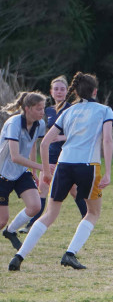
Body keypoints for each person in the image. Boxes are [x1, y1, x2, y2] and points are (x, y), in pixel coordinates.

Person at [8, 72, 113, 271]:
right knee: (93, 212)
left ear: (75, 91)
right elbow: (107, 140)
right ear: (94, 91)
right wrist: (108, 172)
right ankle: (70, 254)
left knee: (48, 215)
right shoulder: (104, 110)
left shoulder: (67, 111)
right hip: (88, 166)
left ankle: (18, 256)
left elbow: (44, 143)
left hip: (64, 164)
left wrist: (47, 171)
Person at [19, 76, 87, 234]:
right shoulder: (47, 110)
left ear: (67, 91)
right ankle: (32, 224)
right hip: (49, 155)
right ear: (51, 91)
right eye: (56, 89)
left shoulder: (72, 109)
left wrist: (61, 137)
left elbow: (81, 133)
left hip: (67, 155)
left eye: (62, 89)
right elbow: (41, 136)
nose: (59, 92)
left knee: (73, 190)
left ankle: (87, 218)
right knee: (42, 188)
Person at [0, 91, 46, 251]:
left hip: (20, 173)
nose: (42, 112)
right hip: (2, 174)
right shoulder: (13, 124)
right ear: (27, 108)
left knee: (35, 206)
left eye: (43, 108)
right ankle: (6, 228)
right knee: (1, 220)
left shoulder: (40, 124)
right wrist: (43, 167)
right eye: (39, 108)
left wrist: (33, 169)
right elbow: (15, 157)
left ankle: (11, 231)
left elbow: (33, 144)